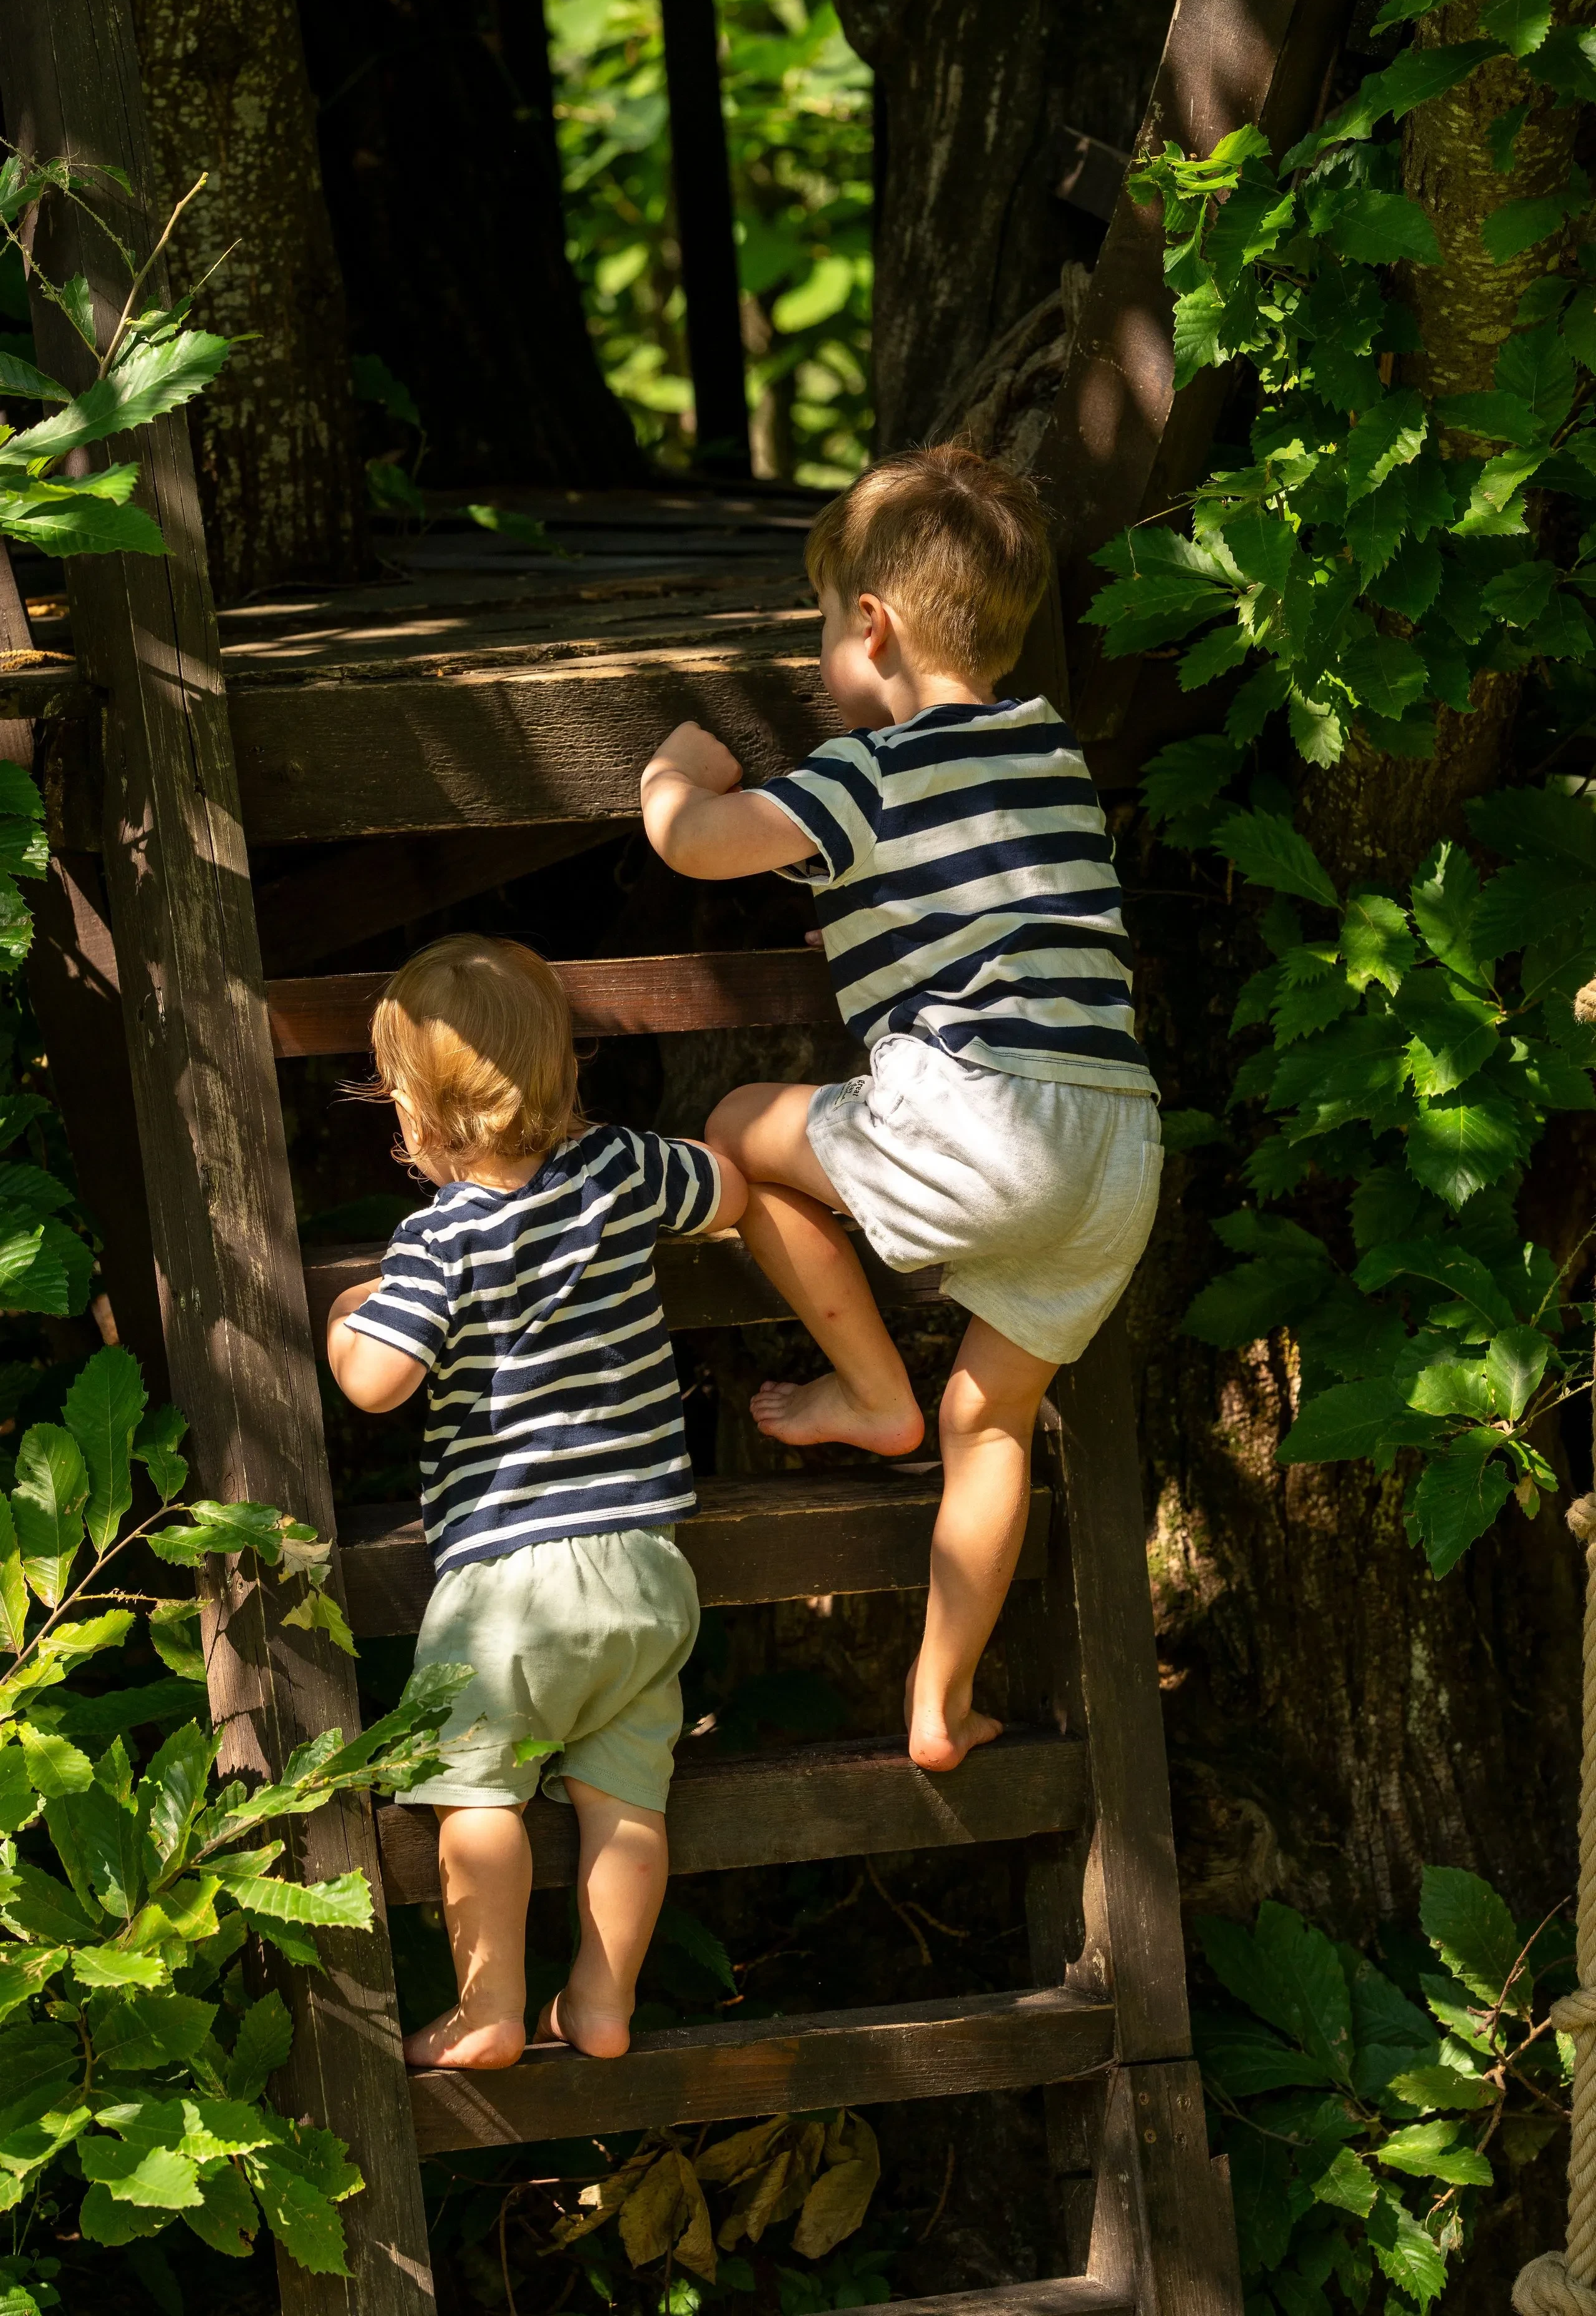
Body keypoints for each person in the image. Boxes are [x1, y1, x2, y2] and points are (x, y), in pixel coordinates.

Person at [638, 445, 1161, 1775]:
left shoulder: (860, 776)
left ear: (868, 627)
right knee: (990, 1427)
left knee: (737, 1130)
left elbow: (695, 843)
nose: (821, 652)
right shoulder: (1049, 749)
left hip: (986, 1121)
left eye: (823, 625)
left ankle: (872, 1392)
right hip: (1112, 1149)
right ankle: (940, 1702)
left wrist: (678, 769)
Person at [326, 933, 746, 2069]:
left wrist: (345, 1314)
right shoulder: (618, 1168)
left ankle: (490, 2009)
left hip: (513, 1584)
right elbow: (728, 1189)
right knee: (627, 1811)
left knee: (477, 1806)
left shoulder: (440, 1239)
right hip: (648, 1573)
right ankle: (602, 2004)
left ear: (413, 1117)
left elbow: (376, 1380)